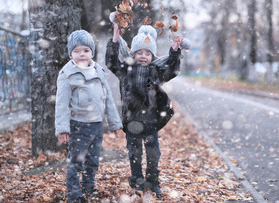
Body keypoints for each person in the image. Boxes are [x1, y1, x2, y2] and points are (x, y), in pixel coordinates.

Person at [105, 24, 187, 198]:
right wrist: (113, 42)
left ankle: (153, 182)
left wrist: (174, 53)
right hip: (132, 119)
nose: (143, 56)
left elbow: (173, 70)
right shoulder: (126, 70)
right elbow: (111, 62)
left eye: (147, 53)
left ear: (152, 56)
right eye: (140, 53)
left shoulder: (156, 71)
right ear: (133, 54)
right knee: (134, 154)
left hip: (151, 120)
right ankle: (137, 183)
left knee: (153, 154)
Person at [55, 29, 123, 203]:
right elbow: (61, 104)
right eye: (77, 51)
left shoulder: (99, 71)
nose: (82, 54)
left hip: (97, 124)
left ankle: (88, 186)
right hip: (78, 124)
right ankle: (74, 194)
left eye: (85, 50)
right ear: (71, 54)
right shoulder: (67, 74)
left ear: (92, 52)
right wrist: (62, 128)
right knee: (76, 161)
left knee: (92, 160)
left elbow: (107, 99)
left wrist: (115, 123)